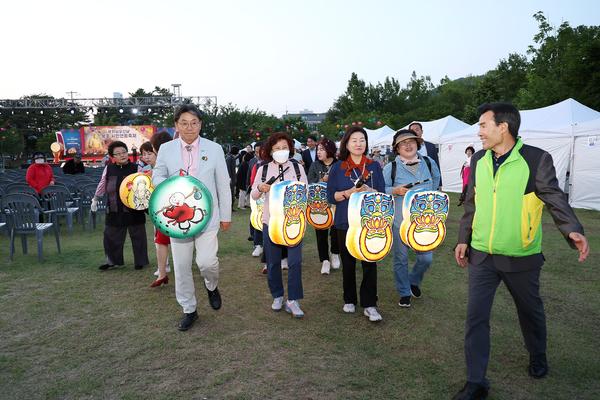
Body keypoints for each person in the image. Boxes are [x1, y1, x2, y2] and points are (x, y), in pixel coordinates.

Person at [452, 103, 590, 400]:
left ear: (503, 127)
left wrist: (572, 229)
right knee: (475, 318)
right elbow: (472, 204)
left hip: (521, 254)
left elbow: (553, 196)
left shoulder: (536, 159)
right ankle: (476, 382)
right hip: (482, 255)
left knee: (530, 312)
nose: (479, 132)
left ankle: (537, 355)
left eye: (483, 125)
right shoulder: (478, 159)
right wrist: (464, 237)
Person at [153, 104, 232, 332]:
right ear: (176, 125)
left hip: (207, 217)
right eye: (184, 123)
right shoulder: (166, 149)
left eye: (194, 123)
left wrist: (225, 215)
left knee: (207, 262)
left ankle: (211, 284)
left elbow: (223, 185)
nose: (189, 127)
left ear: (201, 124)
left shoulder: (214, 148)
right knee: (181, 266)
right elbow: (157, 175)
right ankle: (189, 309)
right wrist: (168, 184)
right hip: (176, 220)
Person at [326, 127, 385, 322]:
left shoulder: (374, 166)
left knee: (370, 262)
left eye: (362, 140)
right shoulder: (338, 167)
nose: (359, 144)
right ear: (346, 144)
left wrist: (370, 190)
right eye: (354, 140)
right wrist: (349, 192)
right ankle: (349, 298)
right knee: (348, 262)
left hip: (370, 222)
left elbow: (382, 195)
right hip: (344, 221)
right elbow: (331, 197)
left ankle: (370, 304)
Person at [251, 132, 308, 318]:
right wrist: (261, 187)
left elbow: (305, 191)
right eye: (277, 148)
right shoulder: (264, 169)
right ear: (270, 151)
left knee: (295, 262)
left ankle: (293, 300)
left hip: (293, 221)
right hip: (271, 221)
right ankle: (277, 295)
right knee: (273, 261)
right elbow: (254, 194)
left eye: (284, 148)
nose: (281, 151)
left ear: (290, 149)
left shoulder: (298, 168)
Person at [383, 129, 440, 308]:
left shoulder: (429, 163)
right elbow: (379, 190)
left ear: (418, 144)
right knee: (400, 258)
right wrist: (394, 190)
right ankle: (404, 291)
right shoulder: (390, 168)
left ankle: (413, 279)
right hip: (400, 221)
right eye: (403, 143)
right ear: (397, 148)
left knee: (426, 259)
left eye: (411, 141)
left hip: (424, 221)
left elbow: (436, 185)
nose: (408, 145)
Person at [92, 141, 149, 271]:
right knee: (111, 235)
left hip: (133, 207)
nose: (122, 155)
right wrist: (95, 199)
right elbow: (102, 184)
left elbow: (144, 184)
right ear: (112, 156)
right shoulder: (109, 168)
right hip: (114, 207)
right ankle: (112, 261)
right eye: (118, 154)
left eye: (124, 152)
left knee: (138, 235)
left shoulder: (136, 168)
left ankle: (140, 261)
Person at [140, 131, 173, 287]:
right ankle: (162, 272)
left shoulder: (164, 161)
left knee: (162, 240)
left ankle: (162, 273)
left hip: (167, 206)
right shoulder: (169, 158)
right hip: (165, 206)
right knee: (161, 240)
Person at [307, 138, 340, 275]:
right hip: (318, 205)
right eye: (318, 149)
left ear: (330, 150)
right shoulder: (315, 165)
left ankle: (335, 253)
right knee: (320, 232)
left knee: (336, 231)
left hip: (336, 203)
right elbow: (310, 183)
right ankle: (325, 260)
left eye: (322, 149)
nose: (318, 152)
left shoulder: (340, 165)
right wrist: (322, 180)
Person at [225, 146, 239, 211]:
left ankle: (231, 207)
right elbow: (228, 170)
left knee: (231, 193)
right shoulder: (230, 158)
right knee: (230, 193)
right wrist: (230, 178)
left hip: (231, 178)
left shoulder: (229, 158)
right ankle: (229, 208)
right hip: (230, 179)